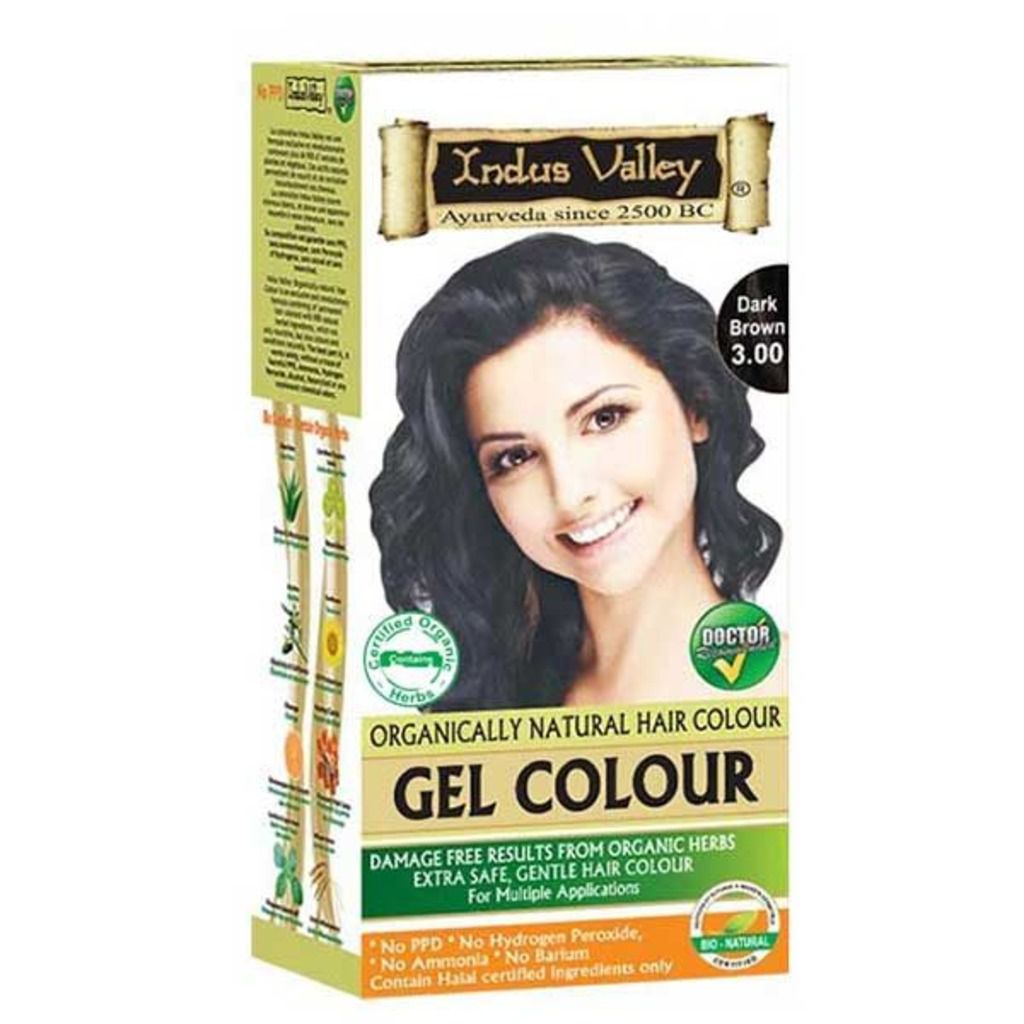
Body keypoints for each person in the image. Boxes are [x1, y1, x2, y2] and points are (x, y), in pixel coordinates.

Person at [370, 233, 781, 710]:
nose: (568, 494)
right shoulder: (491, 703)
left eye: (604, 418)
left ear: (696, 406)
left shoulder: (789, 701)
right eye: (515, 457)